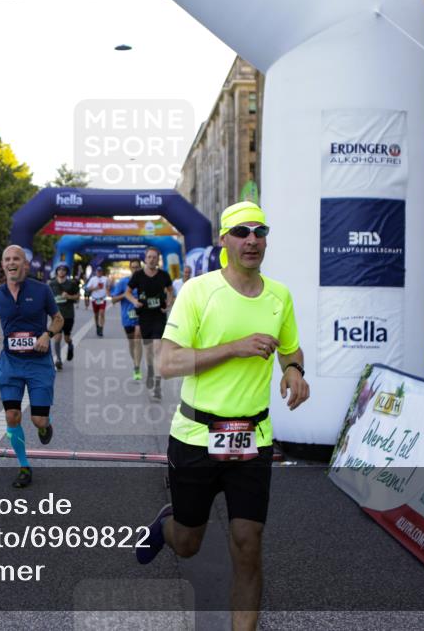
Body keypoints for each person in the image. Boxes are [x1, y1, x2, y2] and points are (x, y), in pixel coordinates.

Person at [135, 201, 309, 631]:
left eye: (260, 232)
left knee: (249, 543)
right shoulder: (199, 291)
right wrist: (234, 348)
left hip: (254, 438)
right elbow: (167, 363)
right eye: (242, 232)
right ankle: (168, 525)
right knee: (188, 543)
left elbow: (290, 349)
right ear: (224, 240)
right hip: (196, 436)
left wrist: (294, 371)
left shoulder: (279, 296)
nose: (252, 240)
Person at [0, 245, 63, 488]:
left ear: (25, 264)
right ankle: (24, 466)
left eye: (16, 259)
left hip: (38, 363)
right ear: (2, 265)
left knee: (38, 420)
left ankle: (45, 426)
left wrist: (47, 334)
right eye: (7, 259)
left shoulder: (42, 290)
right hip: (11, 363)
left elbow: (58, 319)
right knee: (12, 415)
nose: (11, 262)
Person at [128, 247, 175, 400]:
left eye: (154, 257)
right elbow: (127, 292)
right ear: (145, 259)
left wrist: (168, 303)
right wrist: (134, 301)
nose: (151, 259)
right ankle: (149, 370)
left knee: (157, 349)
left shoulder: (164, 275)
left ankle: (157, 386)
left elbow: (170, 290)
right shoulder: (138, 275)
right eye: (149, 257)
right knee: (148, 351)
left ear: (158, 259)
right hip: (145, 317)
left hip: (159, 316)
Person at [111, 259, 143, 380]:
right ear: (130, 268)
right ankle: (135, 362)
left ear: (140, 268)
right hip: (127, 317)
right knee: (131, 342)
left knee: (137, 338)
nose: (135, 269)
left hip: (141, 316)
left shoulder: (144, 281)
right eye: (133, 267)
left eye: (137, 267)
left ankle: (137, 367)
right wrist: (124, 295)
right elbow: (113, 300)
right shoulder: (123, 282)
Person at [48, 264, 80, 370]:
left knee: (66, 338)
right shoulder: (52, 283)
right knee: (57, 337)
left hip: (68, 315)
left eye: (63, 270)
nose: (61, 271)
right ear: (56, 271)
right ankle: (58, 359)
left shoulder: (71, 283)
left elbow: (77, 297)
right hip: (56, 315)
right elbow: (47, 297)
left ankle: (70, 344)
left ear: (66, 272)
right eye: (59, 270)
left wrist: (69, 296)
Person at [85, 266, 110, 336]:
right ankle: (97, 326)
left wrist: (108, 289)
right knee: (96, 315)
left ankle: (101, 329)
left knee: (102, 313)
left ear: (102, 272)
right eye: (98, 271)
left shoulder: (105, 279)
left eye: (100, 271)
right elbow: (87, 288)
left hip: (102, 299)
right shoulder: (93, 279)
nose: (99, 272)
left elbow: (108, 286)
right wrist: (95, 288)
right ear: (96, 272)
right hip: (95, 299)